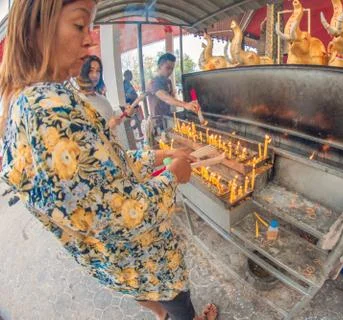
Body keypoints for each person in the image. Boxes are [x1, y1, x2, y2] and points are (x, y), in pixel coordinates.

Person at [0, 1, 217, 320]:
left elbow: (106, 166)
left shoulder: (39, 99)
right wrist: (172, 175)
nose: (89, 40)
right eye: (78, 25)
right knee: (179, 302)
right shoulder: (49, 114)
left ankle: (163, 316)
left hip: (116, 265)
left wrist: (158, 155)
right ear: (35, 28)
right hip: (140, 256)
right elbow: (119, 216)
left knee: (152, 299)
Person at [75, 55, 135, 132]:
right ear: (83, 72)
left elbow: (111, 116)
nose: (95, 75)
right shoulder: (79, 101)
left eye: (98, 71)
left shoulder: (100, 97)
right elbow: (85, 134)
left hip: (114, 142)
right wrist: (108, 127)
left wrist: (126, 113)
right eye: (91, 71)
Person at [147, 53, 200, 130]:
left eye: (172, 69)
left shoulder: (168, 81)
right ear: (159, 66)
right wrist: (185, 105)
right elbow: (165, 98)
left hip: (168, 118)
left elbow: (171, 98)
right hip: (157, 121)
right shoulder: (154, 82)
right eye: (167, 68)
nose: (170, 71)